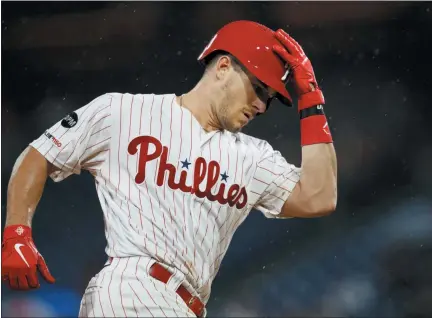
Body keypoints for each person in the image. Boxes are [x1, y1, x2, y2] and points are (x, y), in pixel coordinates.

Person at [1, 20, 337, 317]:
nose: (262, 105)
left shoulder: (253, 157)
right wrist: (17, 231)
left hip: (185, 305)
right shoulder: (124, 112)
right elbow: (38, 155)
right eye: (259, 89)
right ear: (223, 67)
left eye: (269, 98)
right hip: (132, 290)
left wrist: (311, 98)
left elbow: (319, 198)